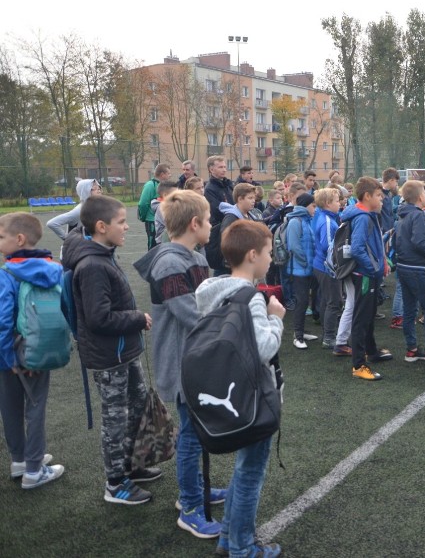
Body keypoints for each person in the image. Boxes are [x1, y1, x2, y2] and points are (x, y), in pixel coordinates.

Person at [133, 190, 226, 538]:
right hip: (182, 360)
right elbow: (191, 312)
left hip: (196, 356)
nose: (213, 224)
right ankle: (189, 506)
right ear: (194, 223)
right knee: (190, 437)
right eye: (208, 218)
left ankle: (197, 489)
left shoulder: (194, 255)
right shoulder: (171, 262)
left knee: (197, 433)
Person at [195, 220, 285, 558]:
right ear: (252, 255)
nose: (271, 259)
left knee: (243, 469)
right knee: (250, 473)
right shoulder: (251, 298)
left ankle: (228, 539)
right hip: (253, 399)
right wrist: (276, 317)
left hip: (227, 391)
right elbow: (263, 349)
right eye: (268, 252)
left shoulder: (210, 289)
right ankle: (243, 549)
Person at [63, 195, 158, 504]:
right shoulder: (91, 264)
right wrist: (136, 318)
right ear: (101, 226)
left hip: (124, 349)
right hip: (109, 355)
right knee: (116, 417)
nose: (127, 226)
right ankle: (116, 483)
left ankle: (131, 465)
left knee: (139, 402)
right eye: (121, 222)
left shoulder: (103, 253)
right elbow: (98, 318)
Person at [0, 213, 66, 490]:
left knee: (11, 406)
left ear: (19, 239)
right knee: (36, 407)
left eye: (1, 236)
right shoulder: (53, 269)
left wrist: (9, 358)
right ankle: (33, 463)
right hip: (40, 347)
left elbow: (3, 320)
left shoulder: (7, 274)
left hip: (10, 351)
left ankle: (26, 465)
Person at [339, 177, 393, 381]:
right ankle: (359, 364)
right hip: (364, 275)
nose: (382, 200)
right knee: (361, 318)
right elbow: (358, 248)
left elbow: (373, 245)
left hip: (370, 274)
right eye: (379, 196)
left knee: (369, 315)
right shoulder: (362, 217)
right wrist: (372, 268)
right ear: (367, 196)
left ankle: (371, 351)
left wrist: (383, 262)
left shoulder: (368, 215)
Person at [394, 181, 425, 364]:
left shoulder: (402, 215)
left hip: (403, 266)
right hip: (417, 268)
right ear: (421, 197)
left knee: (410, 309)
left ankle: (411, 349)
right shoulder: (418, 215)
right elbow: (419, 241)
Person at [284, 193, 318, 349]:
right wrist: (305, 263)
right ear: (306, 206)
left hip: (306, 269)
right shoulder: (295, 222)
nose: (315, 209)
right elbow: (294, 246)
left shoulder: (306, 220)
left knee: (305, 302)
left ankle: (301, 332)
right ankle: (297, 336)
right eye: (313, 206)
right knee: (301, 301)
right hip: (298, 271)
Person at [312, 188, 343, 349]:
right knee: (334, 302)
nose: (340, 203)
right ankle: (329, 337)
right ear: (327, 203)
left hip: (320, 265)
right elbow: (328, 246)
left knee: (326, 299)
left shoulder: (324, 216)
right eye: (337, 201)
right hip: (327, 267)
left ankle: (327, 332)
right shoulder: (328, 221)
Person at [138, 164, 171, 250]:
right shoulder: (150, 185)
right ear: (162, 174)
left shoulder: (164, 186)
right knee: (153, 246)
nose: (170, 175)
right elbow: (143, 203)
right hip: (152, 221)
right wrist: (144, 217)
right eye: (168, 173)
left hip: (163, 221)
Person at [204, 155, 234, 227]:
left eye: (224, 167)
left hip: (233, 222)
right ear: (211, 170)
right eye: (220, 167)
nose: (224, 170)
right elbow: (217, 210)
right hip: (220, 226)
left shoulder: (228, 185)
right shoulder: (209, 189)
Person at [152, 180, 179, 246]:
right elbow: (174, 225)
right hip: (165, 242)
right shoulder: (162, 208)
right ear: (165, 195)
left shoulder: (172, 205)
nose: (178, 196)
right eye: (175, 194)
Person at [380, 168, 399, 233]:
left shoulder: (388, 194)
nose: (397, 184)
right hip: (384, 232)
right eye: (396, 181)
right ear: (391, 180)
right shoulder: (380, 196)